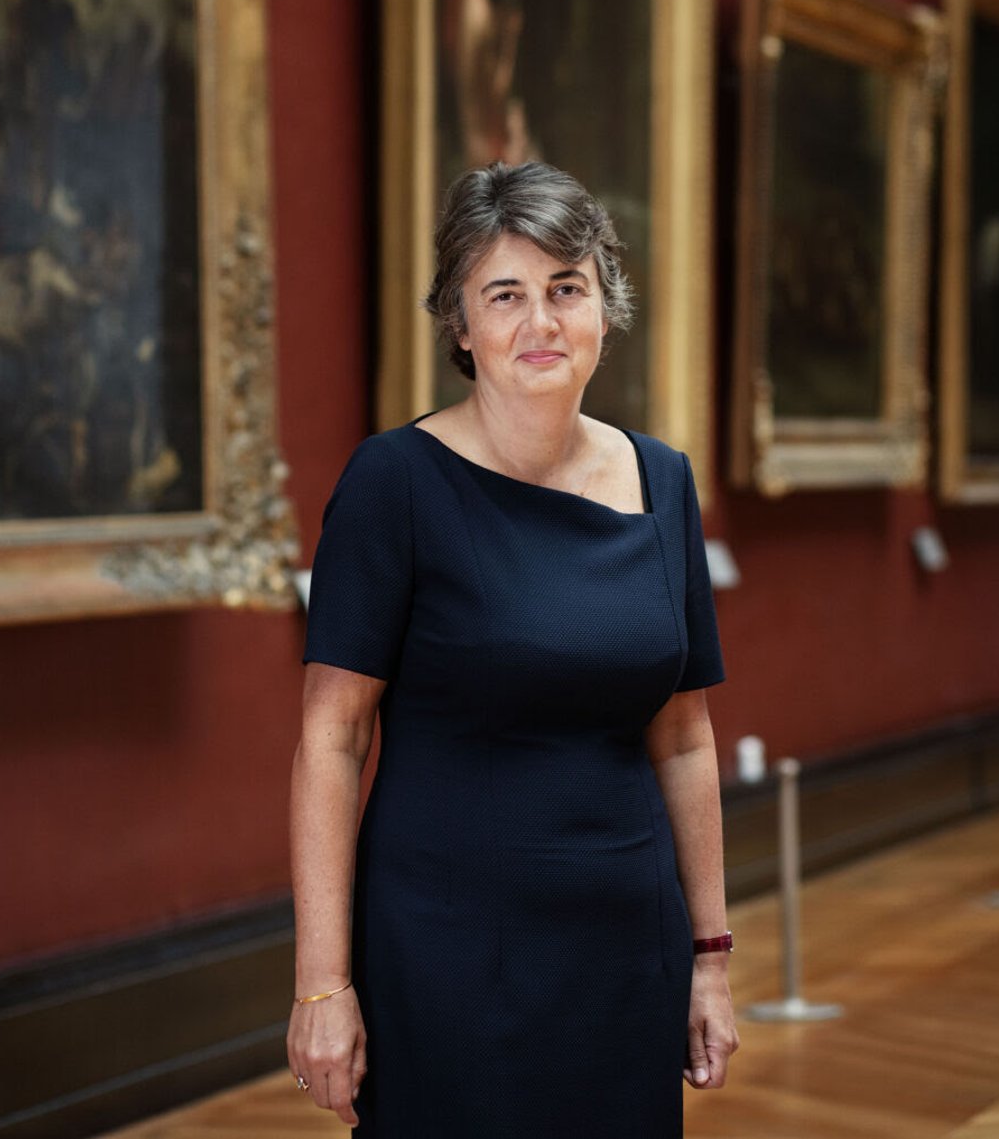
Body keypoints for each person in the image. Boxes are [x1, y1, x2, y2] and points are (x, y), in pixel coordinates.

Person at [288, 161, 738, 1135]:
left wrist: (710, 956)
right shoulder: (394, 483)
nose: (542, 321)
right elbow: (332, 737)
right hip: (445, 952)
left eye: (567, 288)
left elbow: (685, 738)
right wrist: (322, 983)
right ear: (459, 322)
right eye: (505, 294)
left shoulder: (663, 481)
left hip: (626, 950)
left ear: (604, 309)